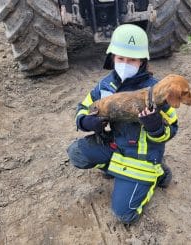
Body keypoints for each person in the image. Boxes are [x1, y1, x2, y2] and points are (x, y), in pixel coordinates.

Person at [67, 24, 178, 224]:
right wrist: (86, 121)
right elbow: (83, 107)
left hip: (141, 158)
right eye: (121, 58)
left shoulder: (156, 91)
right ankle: (117, 169)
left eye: (132, 59)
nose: (125, 63)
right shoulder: (105, 85)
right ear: (112, 57)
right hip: (115, 146)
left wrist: (155, 127)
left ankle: (157, 173)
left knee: (124, 214)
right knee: (76, 153)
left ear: (143, 61)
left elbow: (172, 128)